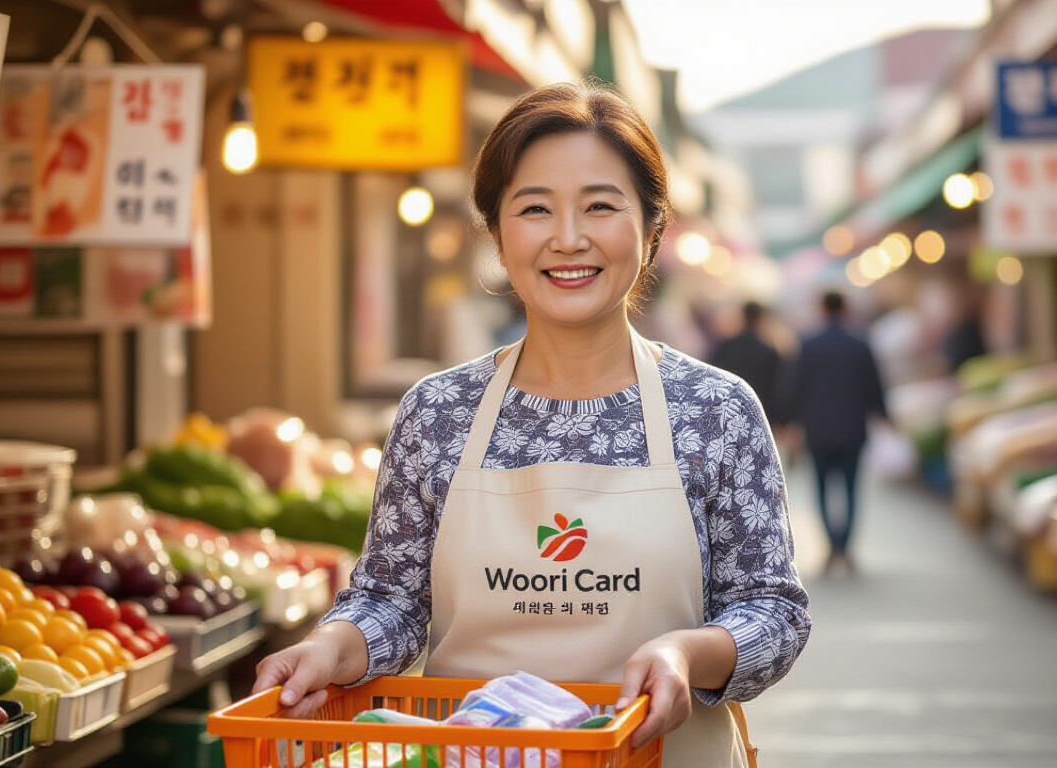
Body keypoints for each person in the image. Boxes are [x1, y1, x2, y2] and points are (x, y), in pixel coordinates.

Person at [253, 81, 811, 767]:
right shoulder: (437, 412)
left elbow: (772, 612)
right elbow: (391, 602)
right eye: (535, 209)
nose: (568, 239)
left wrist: (686, 654)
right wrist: (329, 645)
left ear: (651, 227)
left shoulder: (715, 410)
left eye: (600, 206)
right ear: (497, 233)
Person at [785, 290, 890, 573]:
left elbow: (795, 387)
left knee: (821, 489)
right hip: (852, 429)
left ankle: (832, 544)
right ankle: (845, 546)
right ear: (845, 310)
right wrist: (884, 415)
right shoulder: (860, 344)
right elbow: (874, 385)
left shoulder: (808, 345)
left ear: (822, 309)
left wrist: (790, 421)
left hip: (817, 430)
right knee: (851, 489)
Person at [710, 301, 784, 425]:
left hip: (728, 408)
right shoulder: (768, 350)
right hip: (759, 411)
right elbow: (776, 389)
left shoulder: (727, 346)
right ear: (760, 318)